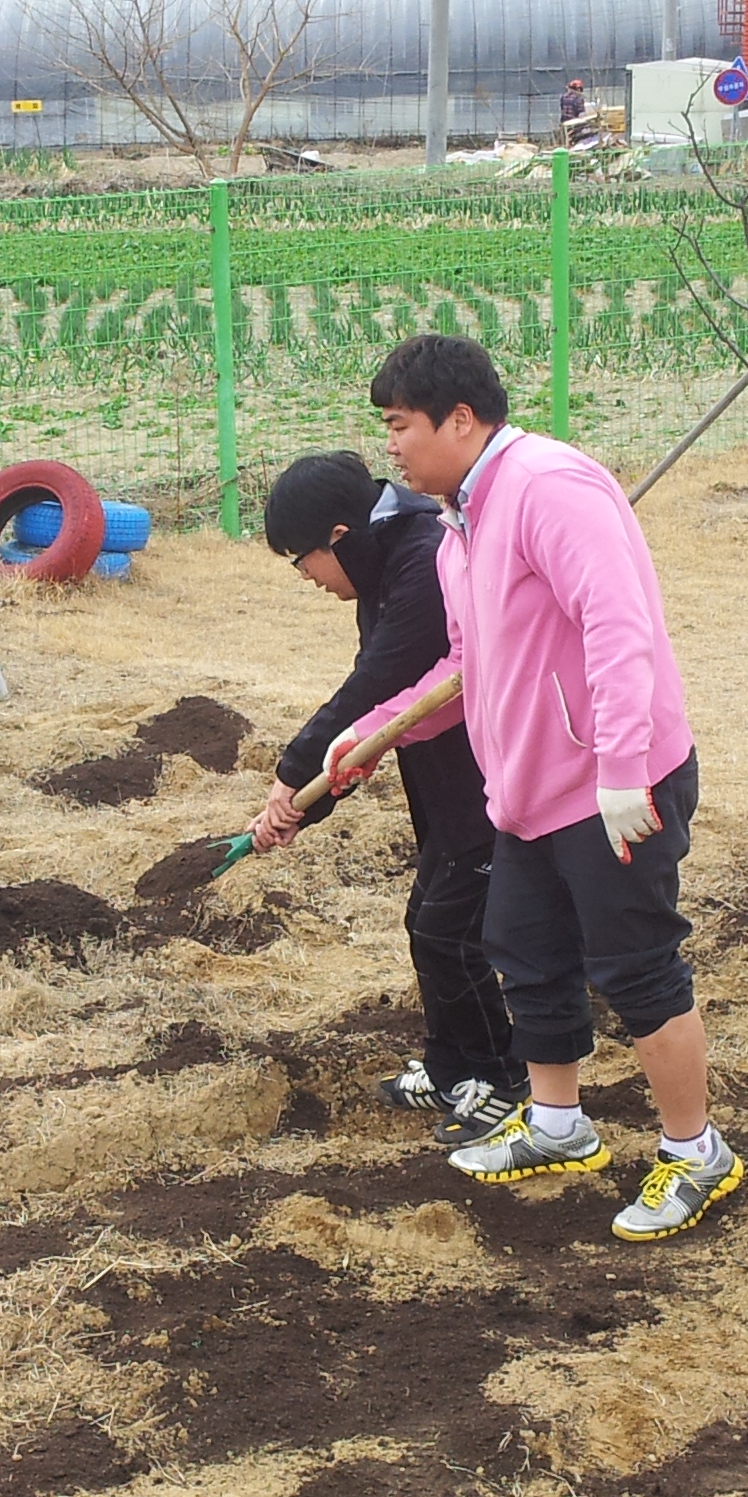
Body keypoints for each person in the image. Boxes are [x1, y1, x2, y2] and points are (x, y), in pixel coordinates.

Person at [332, 334, 742, 1243]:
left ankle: (697, 1151)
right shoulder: (461, 525)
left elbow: (618, 622)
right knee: (526, 951)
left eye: (399, 426)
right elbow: (469, 665)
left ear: (460, 419)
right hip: (529, 790)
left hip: (611, 786)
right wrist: (372, 735)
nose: (390, 448)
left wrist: (623, 769)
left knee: (637, 969)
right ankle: (558, 1125)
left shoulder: (547, 487)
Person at [250, 452, 525, 1144]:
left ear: (338, 536)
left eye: (302, 560)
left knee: (450, 931)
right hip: (440, 778)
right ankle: (451, 1065)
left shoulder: (421, 558)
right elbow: (380, 706)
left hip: (486, 778)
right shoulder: (382, 559)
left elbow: (376, 681)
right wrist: (310, 800)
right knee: (426, 920)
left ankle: (503, 1079)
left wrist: (293, 779)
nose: (307, 578)